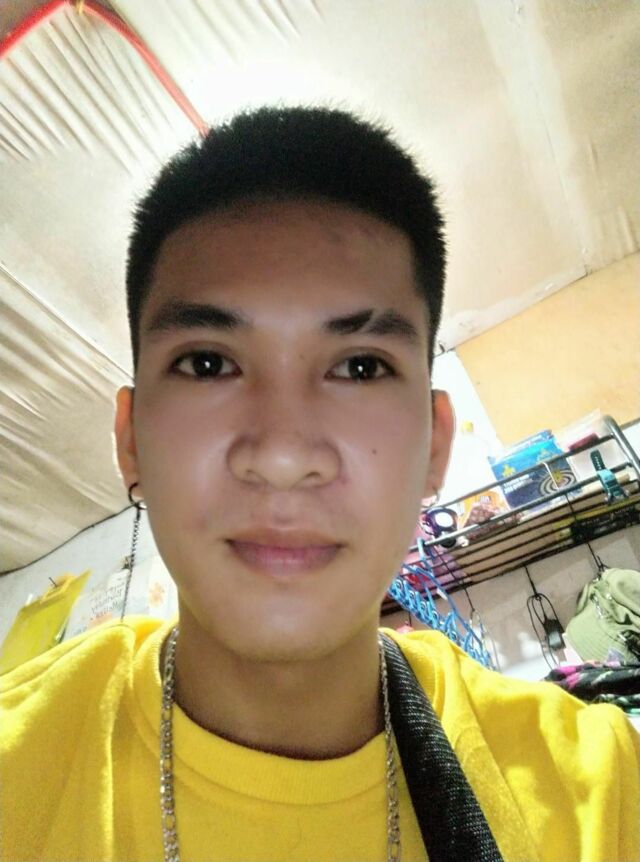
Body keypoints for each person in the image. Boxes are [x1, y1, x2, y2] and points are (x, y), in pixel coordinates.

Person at [1, 106, 638, 862]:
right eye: (208, 363)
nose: (282, 456)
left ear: (435, 445)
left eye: (360, 367)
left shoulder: (602, 789)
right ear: (130, 439)